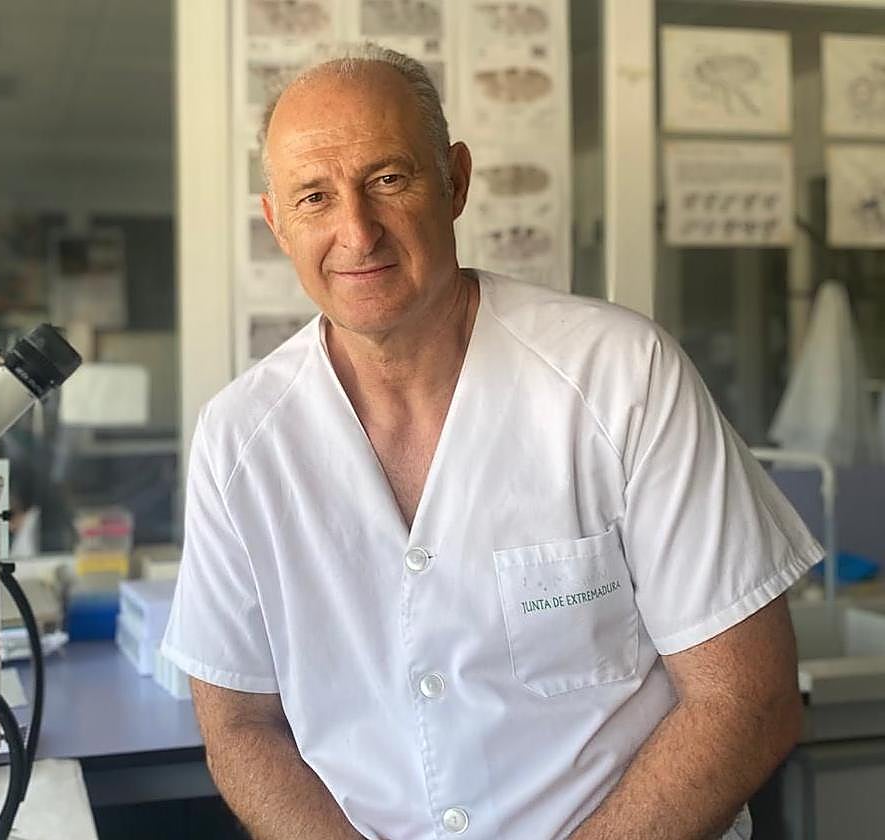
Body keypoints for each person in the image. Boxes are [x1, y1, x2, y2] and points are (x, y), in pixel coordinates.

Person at [162, 43, 821, 840]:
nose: (356, 231)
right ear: (276, 224)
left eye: (387, 179)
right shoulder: (240, 439)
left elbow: (745, 699)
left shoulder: (619, 374)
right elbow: (238, 725)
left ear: (455, 183)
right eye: (313, 197)